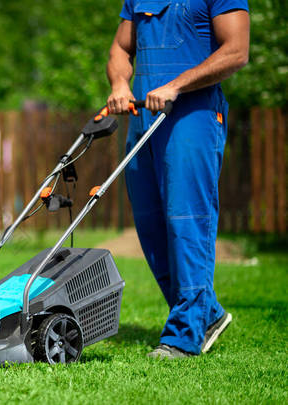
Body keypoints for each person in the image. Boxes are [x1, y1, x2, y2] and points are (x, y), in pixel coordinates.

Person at [106, 0, 250, 358]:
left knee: (187, 221)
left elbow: (236, 52)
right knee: (151, 225)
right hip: (143, 115)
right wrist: (120, 83)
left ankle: (184, 335)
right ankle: (207, 314)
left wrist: (177, 85)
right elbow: (122, 48)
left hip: (192, 114)